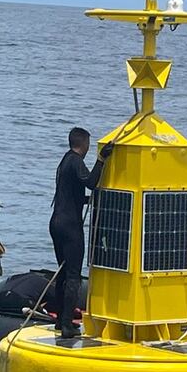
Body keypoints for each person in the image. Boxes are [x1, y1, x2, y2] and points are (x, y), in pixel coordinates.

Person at [50, 127, 113, 337]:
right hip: (70, 225)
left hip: (57, 220)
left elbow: (71, 193)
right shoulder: (76, 161)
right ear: (84, 144)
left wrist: (86, 201)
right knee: (73, 275)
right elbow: (91, 183)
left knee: (62, 272)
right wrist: (102, 160)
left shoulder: (64, 160)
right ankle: (67, 323)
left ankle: (61, 319)